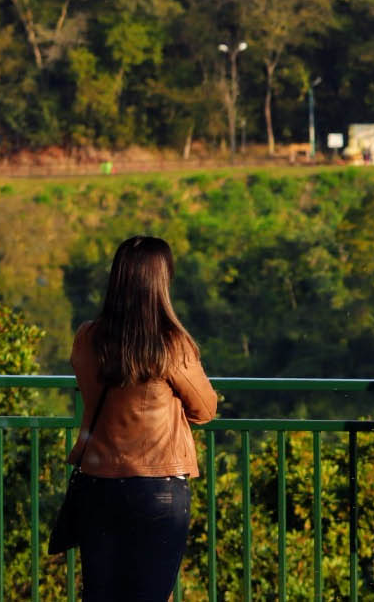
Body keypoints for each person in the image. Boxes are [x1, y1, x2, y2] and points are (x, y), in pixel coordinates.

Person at [69, 235, 218, 601]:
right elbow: (205, 408)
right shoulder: (170, 344)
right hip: (158, 488)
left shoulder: (89, 337)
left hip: (98, 482)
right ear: (161, 281)